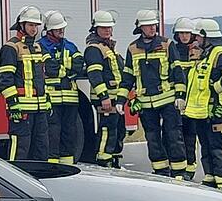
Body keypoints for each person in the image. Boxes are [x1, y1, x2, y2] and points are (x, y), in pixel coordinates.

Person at [122, 9, 185, 177]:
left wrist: (180, 96)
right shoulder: (133, 49)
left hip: (167, 101)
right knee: (153, 139)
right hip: (146, 103)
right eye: (148, 25)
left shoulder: (166, 45)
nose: (152, 28)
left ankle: (179, 172)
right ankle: (161, 171)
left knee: (173, 136)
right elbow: (127, 76)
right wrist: (121, 100)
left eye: (154, 25)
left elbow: (177, 71)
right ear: (140, 27)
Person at [183, 18, 222, 190]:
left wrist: (216, 88)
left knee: (217, 146)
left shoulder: (220, 54)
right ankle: (210, 176)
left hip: (216, 110)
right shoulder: (205, 54)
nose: (196, 39)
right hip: (202, 112)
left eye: (198, 36)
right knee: (205, 145)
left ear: (206, 36)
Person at [0, 5, 56, 161]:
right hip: (21, 109)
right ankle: (14, 179)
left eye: (36, 25)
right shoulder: (11, 48)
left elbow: (45, 76)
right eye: (30, 25)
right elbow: (5, 80)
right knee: (20, 148)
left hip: (40, 110)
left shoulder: (38, 47)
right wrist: (13, 104)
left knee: (42, 147)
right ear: (21, 25)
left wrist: (47, 99)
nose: (34, 29)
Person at [39, 11, 84, 164]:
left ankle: (67, 166)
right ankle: (52, 166)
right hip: (52, 98)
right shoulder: (40, 46)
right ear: (49, 30)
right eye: (58, 29)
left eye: (62, 29)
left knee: (69, 133)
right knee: (53, 133)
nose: (61, 31)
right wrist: (66, 70)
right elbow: (50, 69)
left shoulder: (70, 46)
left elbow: (80, 65)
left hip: (70, 99)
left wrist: (61, 70)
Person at [84, 10, 127, 167]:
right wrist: (104, 97)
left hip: (115, 98)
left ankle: (114, 160)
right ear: (96, 29)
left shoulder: (108, 47)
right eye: (103, 28)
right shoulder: (94, 49)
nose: (107, 30)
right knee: (107, 130)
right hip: (105, 99)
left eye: (109, 27)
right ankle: (103, 161)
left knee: (118, 129)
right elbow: (95, 75)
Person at [167, 17, 199, 180]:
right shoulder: (173, 51)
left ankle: (190, 168)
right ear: (176, 35)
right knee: (174, 135)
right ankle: (177, 167)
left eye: (187, 33)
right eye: (181, 33)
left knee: (190, 136)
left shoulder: (198, 52)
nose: (185, 36)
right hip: (176, 99)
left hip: (193, 101)